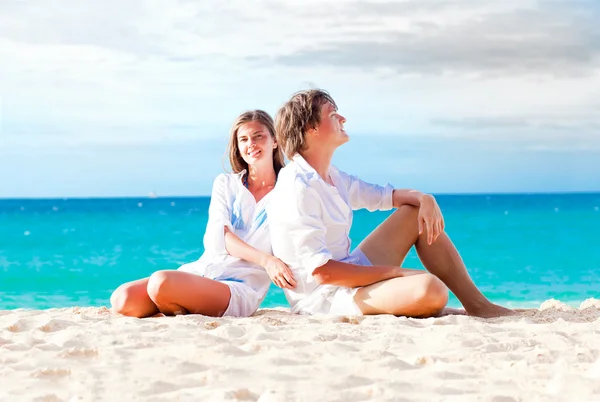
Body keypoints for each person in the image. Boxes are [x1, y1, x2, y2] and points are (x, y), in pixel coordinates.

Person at [267, 89, 515, 318]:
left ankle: (478, 305)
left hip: (349, 272)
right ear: (311, 128)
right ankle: (407, 296)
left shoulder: (332, 176)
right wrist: (395, 273)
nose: (342, 118)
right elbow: (322, 272)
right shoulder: (297, 186)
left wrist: (424, 198)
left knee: (414, 214)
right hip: (324, 298)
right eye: (333, 114)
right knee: (432, 289)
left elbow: (385, 196)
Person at [110, 110, 296, 318]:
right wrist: (267, 261)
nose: (250, 143)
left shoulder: (290, 189)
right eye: (243, 139)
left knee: (161, 283)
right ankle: (177, 305)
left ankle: (176, 305)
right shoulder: (226, 184)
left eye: (258, 136)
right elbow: (219, 238)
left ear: (275, 141)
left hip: (239, 287)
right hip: (203, 272)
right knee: (123, 298)